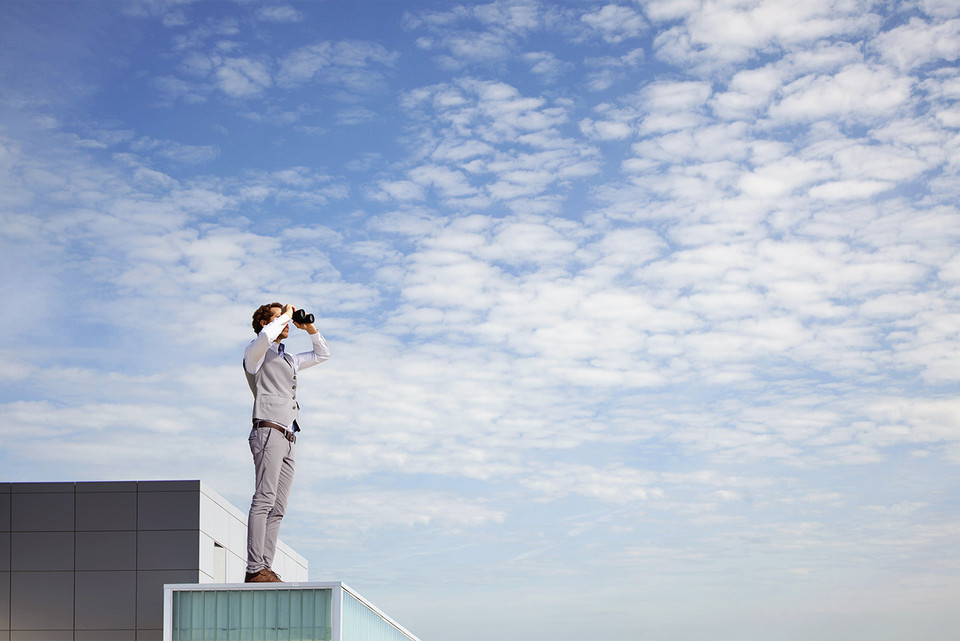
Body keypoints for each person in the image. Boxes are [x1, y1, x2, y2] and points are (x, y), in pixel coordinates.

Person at [242, 302, 330, 582]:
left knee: (278, 507)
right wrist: (287, 315)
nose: (287, 322)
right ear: (265, 323)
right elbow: (267, 336)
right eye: (280, 318)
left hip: (289, 435)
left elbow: (322, 354)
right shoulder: (255, 353)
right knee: (264, 499)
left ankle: (265, 566)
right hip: (268, 431)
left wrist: (310, 328)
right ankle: (254, 568)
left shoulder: (288, 358)